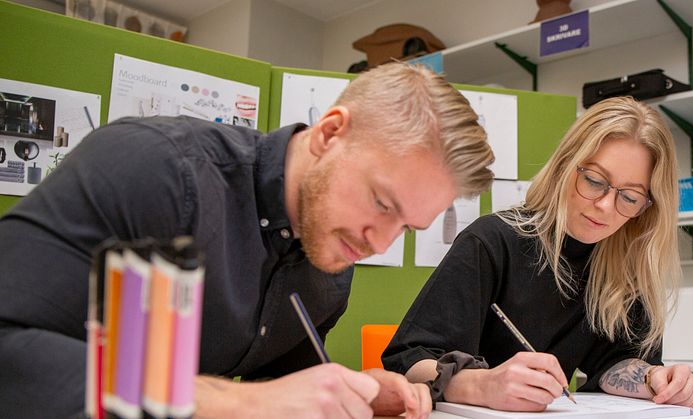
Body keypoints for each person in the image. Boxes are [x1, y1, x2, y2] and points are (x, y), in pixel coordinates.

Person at [0, 62, 495, 418]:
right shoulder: (158, 169)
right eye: (382, 204)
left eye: (407, 227)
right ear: (329, 133)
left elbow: (279, 394)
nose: (380, 244)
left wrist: (358, 393)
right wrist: (239, 402)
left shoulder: (331, 252)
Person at [382, 96, 693, 412]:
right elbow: (406, 361)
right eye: (594, 181)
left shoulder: (627, 263)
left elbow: (613, 362)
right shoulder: (492, 241)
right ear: (566, 165)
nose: (605, 206)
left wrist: (652, 379)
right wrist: (480, 384)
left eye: (630, 197)